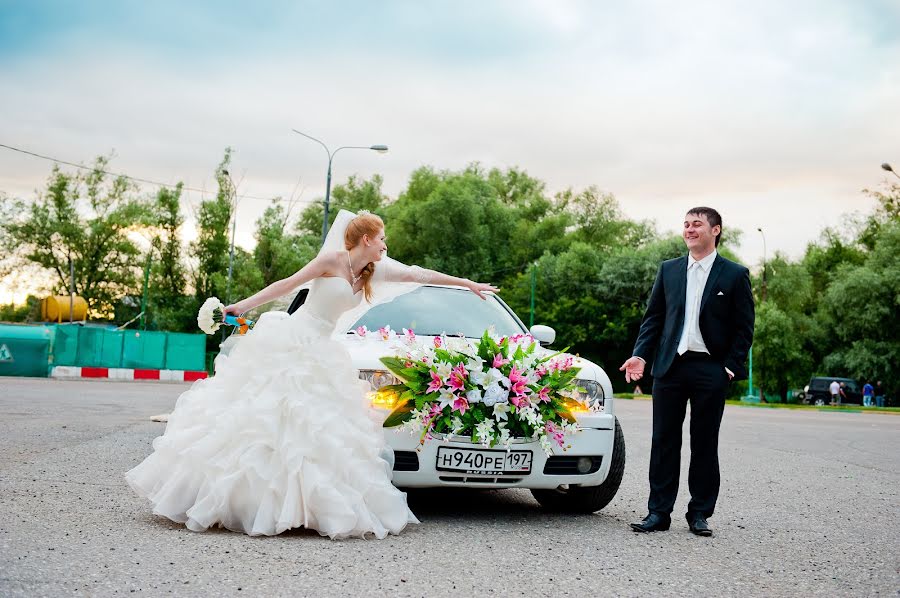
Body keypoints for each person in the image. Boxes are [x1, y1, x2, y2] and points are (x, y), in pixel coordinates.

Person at [126, 210, 498, 538]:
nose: (386, 244)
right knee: (266, 421)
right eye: (382, 238)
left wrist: (467, 284)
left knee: (319, 431)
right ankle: (246, 502)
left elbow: (419, 273)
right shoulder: (331, 260)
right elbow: (285, 285)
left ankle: (307, 507)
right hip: (291, 339)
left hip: (322, 347)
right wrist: (239, 305)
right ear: (366, 239)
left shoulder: (375, 269)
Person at [620, 207, 754, 537]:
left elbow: (744, 327)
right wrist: (640, 355)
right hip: (670, 366)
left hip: (711, 368)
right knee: (663, 440)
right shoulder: (669, 270)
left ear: (716, 230)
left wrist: (730, 369)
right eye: (686, 224)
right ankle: (658, 512)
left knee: (704, 442)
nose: (690, 229)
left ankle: (699, 513)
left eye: (697, 224)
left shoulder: (734, 275)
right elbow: (653, 318)